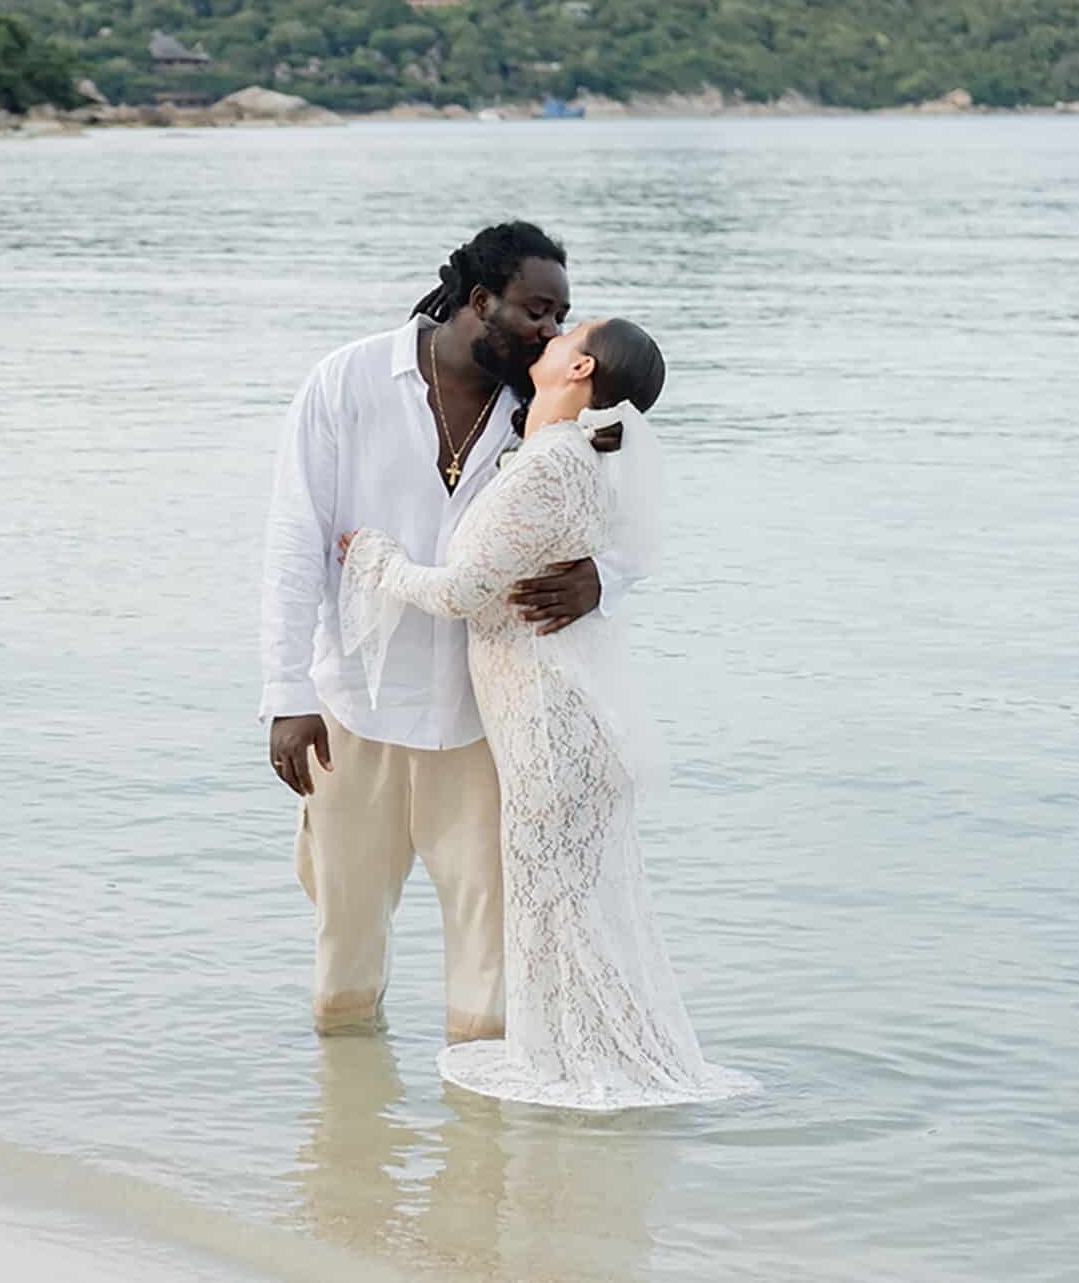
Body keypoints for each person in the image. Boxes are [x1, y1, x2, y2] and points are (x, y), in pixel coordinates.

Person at [338, 319, 754, 1111]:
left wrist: (374, 557)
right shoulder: (572, 463)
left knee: (556, 914)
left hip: (547, 726)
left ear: (582, 366)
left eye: (570, 333)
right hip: (562, 722)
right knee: (569, 917)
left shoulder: (550, 468)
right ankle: (588, 1059)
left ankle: (582, 1068)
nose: (553, 334)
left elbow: (459, 591)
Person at [259, 221, 638, 1044]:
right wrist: (286, 694)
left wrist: (602, 577)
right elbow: (294, 542)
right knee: (343, 969)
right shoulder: (348, 381)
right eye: (539, 310)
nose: (553, 330)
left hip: (483, 722)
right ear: (480, 302)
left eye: (561, 314)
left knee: (489, 979)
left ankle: (482, 1161)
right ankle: (349, 1148)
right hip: (353, 709)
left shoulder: (550, 416)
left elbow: (630, 520)